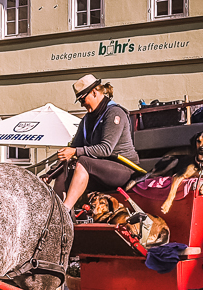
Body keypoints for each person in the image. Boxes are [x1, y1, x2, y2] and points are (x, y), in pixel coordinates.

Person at [54, 74, 139, 211]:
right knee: (63, 173)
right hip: (99, 171)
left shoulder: (114, 113)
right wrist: (53, 170)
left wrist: (75, 152)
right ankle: (55, 211)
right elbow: (75, 147)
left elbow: (106, 149)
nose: (82, 105)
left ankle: (64, 211)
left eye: (82, 99)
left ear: (94, 92)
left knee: (83, 161)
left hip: (125, 170)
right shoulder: (86, 119)